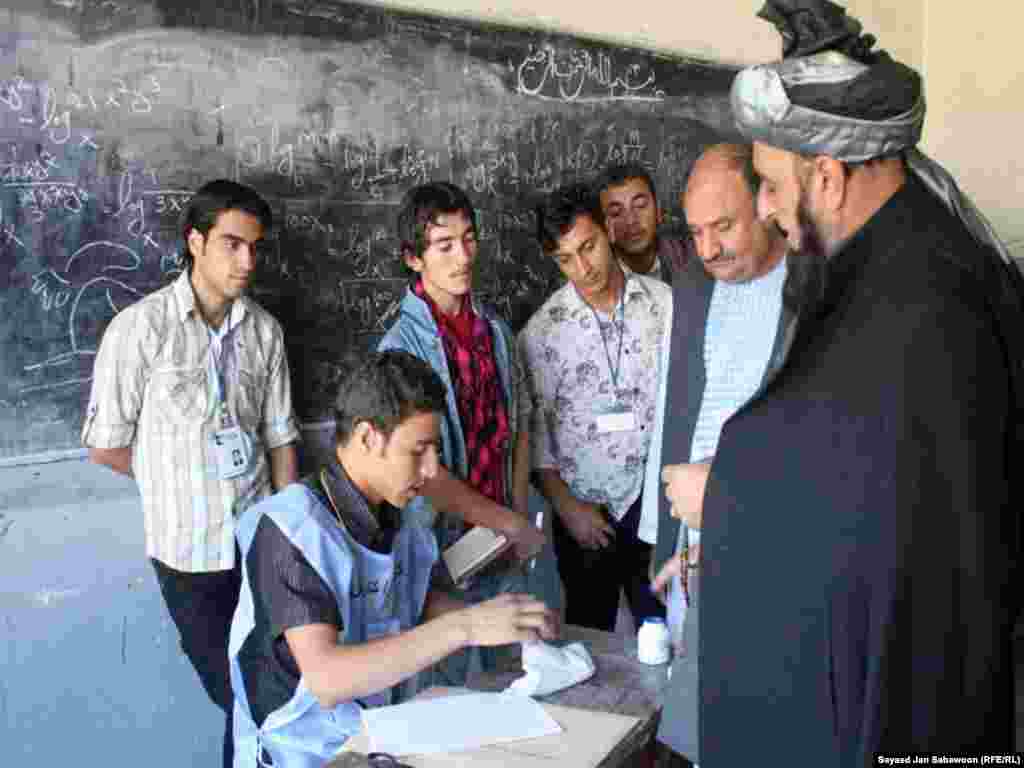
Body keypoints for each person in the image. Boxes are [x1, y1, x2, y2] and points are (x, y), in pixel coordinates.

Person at [665, 1, 1024, 763]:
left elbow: (894, 518)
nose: (764, 208)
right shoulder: (891, 259)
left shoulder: (926, 300)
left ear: (827, 177)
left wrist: (726, 496)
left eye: (767, 183)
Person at [229, 350, 557, 768]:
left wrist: (505, 623)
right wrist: (467, 626)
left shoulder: (404, 516)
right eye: (419, 450)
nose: (432, 469)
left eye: (435, 450)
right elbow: (327, 678)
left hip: (374, 734)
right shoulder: (290, 530)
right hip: (303, 752)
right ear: (368, 438)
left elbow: (412, 600)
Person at [82, 179, 301, 768]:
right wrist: (174, 482)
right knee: (239, 697)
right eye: (232, 244)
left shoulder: (264, 332)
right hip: (188, 554)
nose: (246, 261)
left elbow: (280, 437)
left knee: (273, 689)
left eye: (255, 247)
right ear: (195, 242)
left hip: (260, 544)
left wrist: (289, 531)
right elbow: (105, 446)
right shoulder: (140, 329)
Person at [643, 143, 789, 766]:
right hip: (691, 535)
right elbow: (675, 411)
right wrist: (663, 534)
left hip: (771, 537)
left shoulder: (812, 294)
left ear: (767, 205)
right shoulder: (695, 291)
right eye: (696, 232)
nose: (707, 249)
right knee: (695, 712)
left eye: (723, 227)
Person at [377, 182, 549, 683]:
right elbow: (419, 469)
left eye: (469, 239)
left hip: (499, 538)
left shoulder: (494, 331)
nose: (463, 257)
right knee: (445, 692)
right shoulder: (400, 347)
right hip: (437, 548)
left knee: (518, 678)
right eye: (444, 245)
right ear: (414, 258)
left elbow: (517, 427)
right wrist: (506, 521)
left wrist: (514, 514)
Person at [520, 182, 672, 632]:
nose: (583, 268)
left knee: (662, 632)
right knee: (589, 641)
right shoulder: (542, 332)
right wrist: (567, 508)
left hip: (655, 504)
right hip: (585, 512)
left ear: (608, 230)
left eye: (588, 247)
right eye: (566, 259)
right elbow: (537, 436)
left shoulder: (665, 305)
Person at [595, 162, 687, 284]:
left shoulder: (689, 257)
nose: (631, 220)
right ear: (604, 225)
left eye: (640, 205)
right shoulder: (595, 276)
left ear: (658, 210)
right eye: (616, 212)